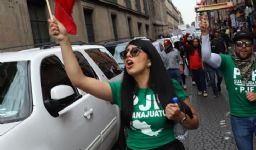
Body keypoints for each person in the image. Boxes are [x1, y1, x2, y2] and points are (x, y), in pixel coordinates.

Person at [48, 18, 199, 150]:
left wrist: (180, 116)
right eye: (125, 53)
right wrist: (64, 41)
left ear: (150, 60)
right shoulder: (120, 89)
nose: (127, 55)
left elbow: (195, 123)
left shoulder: (170, 85)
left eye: (134, 52)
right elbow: (78, 80)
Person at [200, 16, 256, 150]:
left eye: (247, 44)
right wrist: (205, 34)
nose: (243, 47)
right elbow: (207, 57)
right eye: (239, 44)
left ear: (252, 47)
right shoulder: (227, 61)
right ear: (234, 47)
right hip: (239, 119)